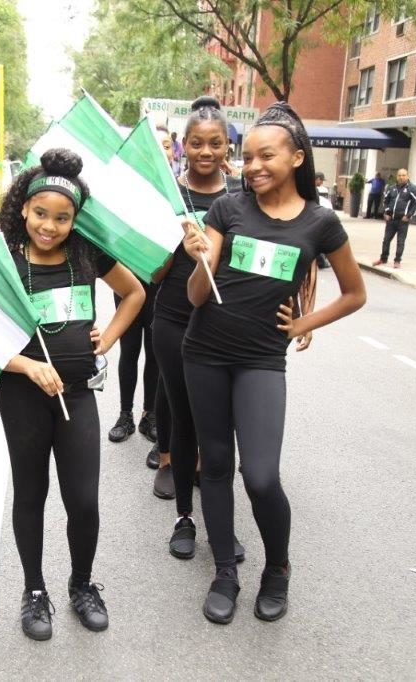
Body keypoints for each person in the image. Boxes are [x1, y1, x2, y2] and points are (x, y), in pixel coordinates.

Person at [182, 102, 366, 625]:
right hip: (205, 352)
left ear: (296, 158)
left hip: (262, 359)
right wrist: (200, 261)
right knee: (214, 465)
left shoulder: (320, 222)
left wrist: (303, 324)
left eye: (267, 156)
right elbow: (198, 295)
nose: (254, 166)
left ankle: (277, 569)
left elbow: (354, 293)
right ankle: (224, 571)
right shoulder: (228, 211)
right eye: (248, 157)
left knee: (260, 475)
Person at [0, 149, 144, 641]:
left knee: (83, 500)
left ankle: (82, 584)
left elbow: (136, 293)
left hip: (77, 396)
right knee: (31, 495)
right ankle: (34, 590)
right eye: (41, 213)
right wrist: (26, 365)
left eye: (62, 217)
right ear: (23, 208)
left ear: (76, 219)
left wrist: (111, 336)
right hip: (22, 396)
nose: (50, 225)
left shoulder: (86, 253)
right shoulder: (3, 261)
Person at [150, 97, 250, 559]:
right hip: (172, 318)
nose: (205, 151)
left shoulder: (242, 197)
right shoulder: (169, 194)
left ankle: (221, 523)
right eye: (196, 143)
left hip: (223, 324)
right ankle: (185, 518)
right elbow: (151, 273)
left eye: (215, 143)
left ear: (227, 144)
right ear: (183, 146)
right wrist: (177, 244)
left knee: (222, 428)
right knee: (184, 416)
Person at [106, 130, 164, 446]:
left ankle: (149, 415)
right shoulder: (122, 199)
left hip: (158, 286)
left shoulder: (170, 198)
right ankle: (124, 414)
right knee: (129, 351)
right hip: (127, 286)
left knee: (155, 354)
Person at [374, 168, 416, 269]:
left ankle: (397, 260)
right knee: (386, 240)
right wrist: (386, 212)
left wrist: (408, 216)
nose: (401, 177)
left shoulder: (413, 189)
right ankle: (383, 258)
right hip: (391, 219)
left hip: (402, 220)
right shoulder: (391, 188)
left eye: (403, 175)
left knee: (400, 241)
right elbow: (385, 200)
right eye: (399, 175)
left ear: (407, 176)